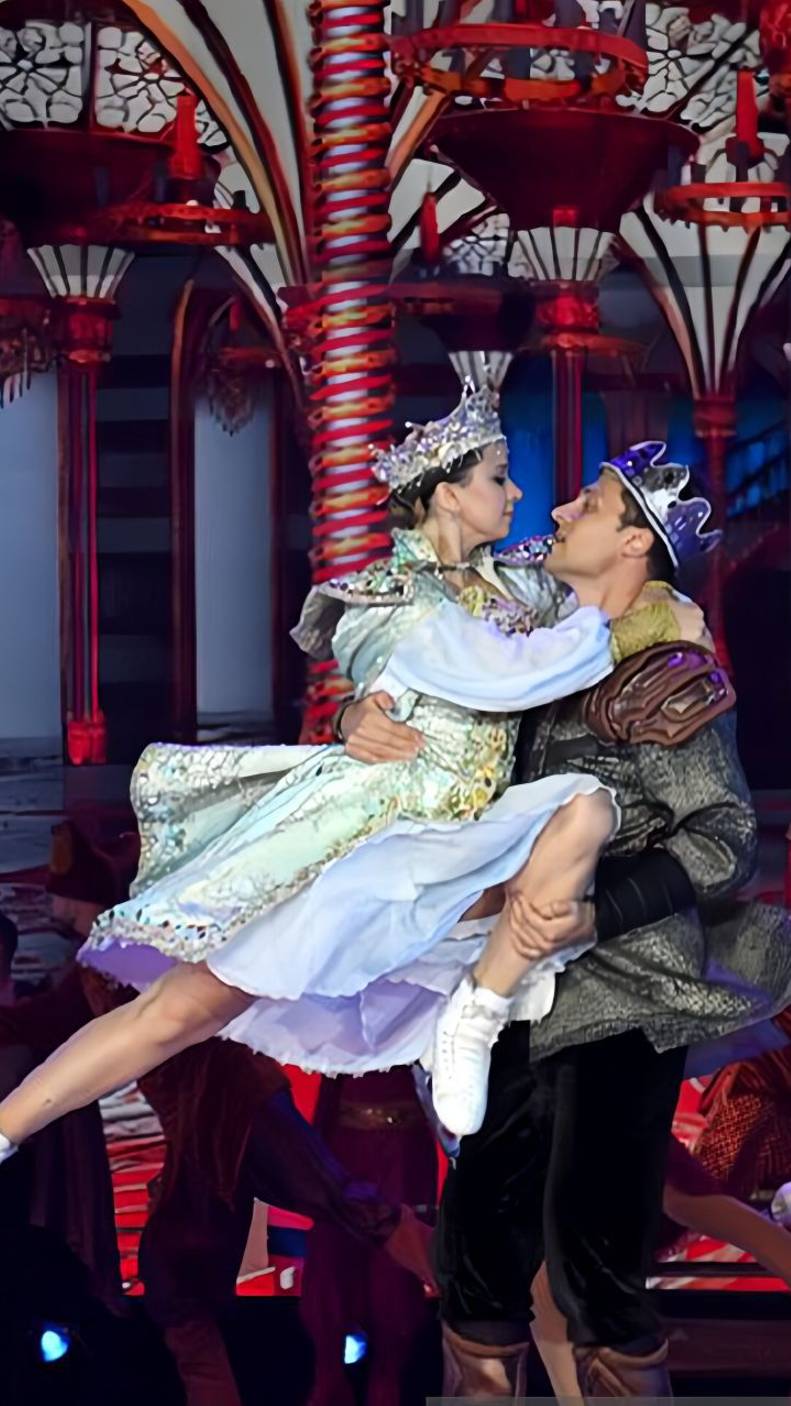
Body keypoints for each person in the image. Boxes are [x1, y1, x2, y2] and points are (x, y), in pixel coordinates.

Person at [0, 387, 699, 1165]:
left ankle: (476, 1022)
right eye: (499, 478)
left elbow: (613, 576)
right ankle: (7, 1126)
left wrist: (661, 606)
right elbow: (500, 672)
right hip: (373, 833)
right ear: (448, 496)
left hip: (474, 843)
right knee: (183, 1010)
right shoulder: (390, 600)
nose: (521, 496)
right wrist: (351, 716)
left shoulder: (517, 583)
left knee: (583, 810)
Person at [340, 440, 791, 1397]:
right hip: (509, 983)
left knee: (594, 1256)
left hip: (622, 995)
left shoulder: (666, 675)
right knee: (474, 1250)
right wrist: (356, 719)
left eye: (585, 504)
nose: (554, 512)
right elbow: (399, 639)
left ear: (634, 542)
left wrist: (597, 911)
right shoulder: (525, 647)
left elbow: (722, 838)